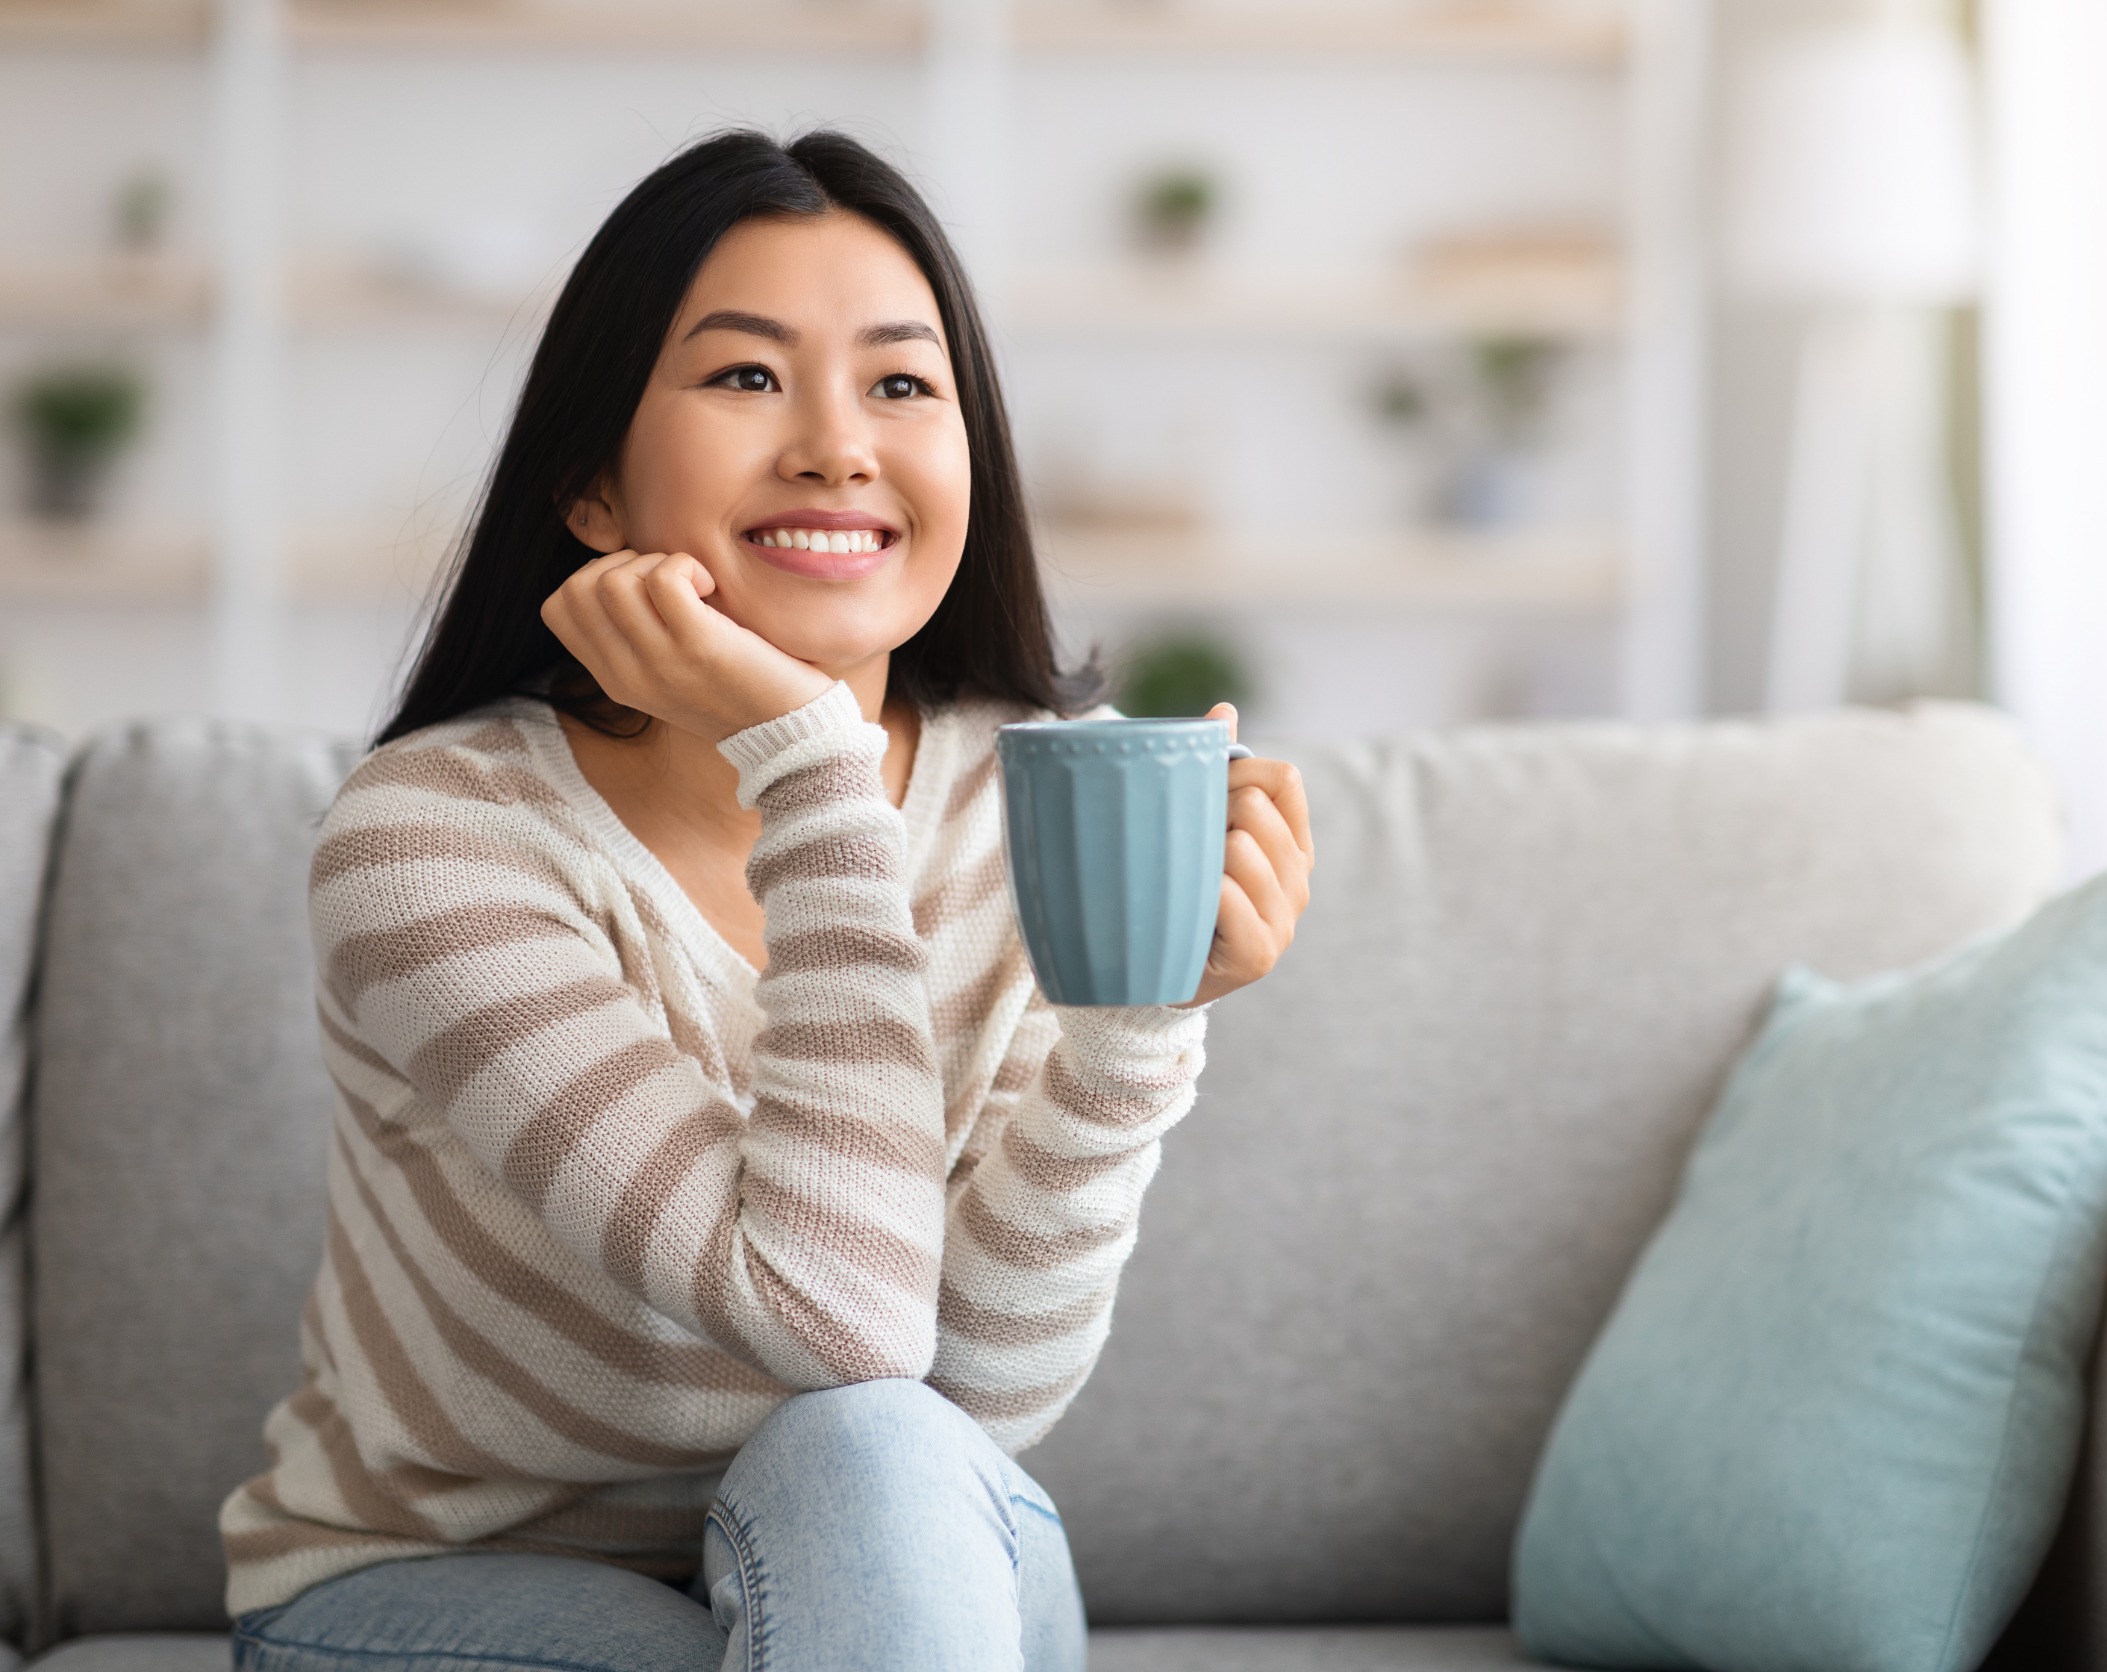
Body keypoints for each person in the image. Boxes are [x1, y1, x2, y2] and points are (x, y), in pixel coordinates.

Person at [219, 129, 1314, 1672]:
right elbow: (837, 1317)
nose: (835, 447)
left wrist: (1135, 1026)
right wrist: (809, 760)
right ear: (592, 488)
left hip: (907, 1544)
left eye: (900, 383)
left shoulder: (1031, 805)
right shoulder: (434, 840)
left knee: (867, 1466)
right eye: (746, 379)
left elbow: (956, 1407)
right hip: (453, 1583)